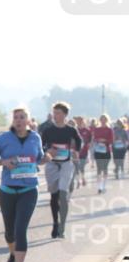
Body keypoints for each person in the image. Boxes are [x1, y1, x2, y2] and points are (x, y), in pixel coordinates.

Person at [0, 107, 50, 262]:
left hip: (29, 190)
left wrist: (47, 158)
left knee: (20, 230)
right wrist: (3, 162)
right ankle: (13, 253)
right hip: (7, 190)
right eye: (16, 117)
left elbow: (38, 158)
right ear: (13, 120)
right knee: (10, 232)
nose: (19, 120)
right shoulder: (4, 138)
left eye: (22, 117)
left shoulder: (35, 137)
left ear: (28, 120)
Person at [38, 102, 82, 238]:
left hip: (66, 164)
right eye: (54, 112)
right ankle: (55, 223)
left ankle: (62, 225)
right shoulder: (48, 130)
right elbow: (41, 147)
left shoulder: (71, 130)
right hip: (52, 164)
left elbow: (79, 142)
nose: (55, 115)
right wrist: (47, 151)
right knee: (54, 196)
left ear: (64, 115)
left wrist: (75, 151)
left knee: (63, 195)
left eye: (58, 113)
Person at [91, 114, 115, 194]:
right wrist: (98, 140)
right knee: (99, 168)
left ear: (107, 120)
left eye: (104, 119)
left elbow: (112, 140)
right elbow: (94, 138)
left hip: (106, 150)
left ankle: (104, 186)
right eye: (102, 119)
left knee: (105, 168)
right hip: (98, 150)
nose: (103, 120)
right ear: (100, 120)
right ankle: (99, 187)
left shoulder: (109, 129)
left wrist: (105, 141)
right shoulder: (97, 129)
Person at [75, 115, 91, 189]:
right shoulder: (74, 130)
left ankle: (83, 178)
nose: (79, 122)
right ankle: (78, 181)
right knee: (76, 167)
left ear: (83, 121)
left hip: (84, 152)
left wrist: (88, 146)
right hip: (76, 152)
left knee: (81, 167)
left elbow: (90, 141)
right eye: (78, 121)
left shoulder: (87, 131)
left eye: (80, 121)